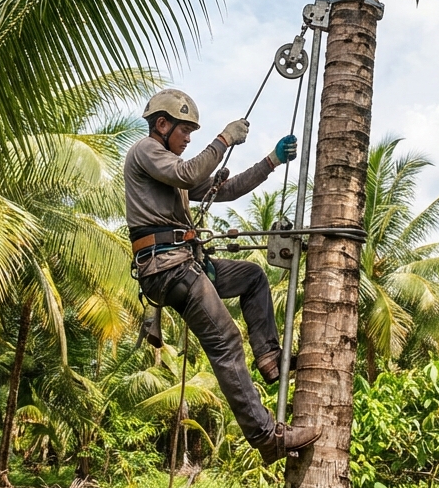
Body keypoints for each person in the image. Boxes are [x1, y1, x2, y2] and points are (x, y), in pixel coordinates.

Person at [125, 88, 322, 464]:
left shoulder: (170, 167)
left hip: (186, 264)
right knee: (226, 340)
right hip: (169, 269)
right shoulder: (146, 152)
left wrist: (271, 161)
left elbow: (225, 189)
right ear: (162, 125)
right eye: (184, 131)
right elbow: (189, 171)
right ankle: (267, 436)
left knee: (251, 277)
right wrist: (224, 139)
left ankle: (268, 357)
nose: (187, 139)